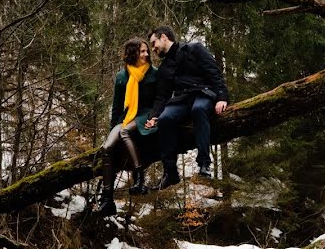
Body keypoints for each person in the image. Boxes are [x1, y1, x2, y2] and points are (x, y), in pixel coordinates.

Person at [145, 26, 229, 190]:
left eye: (154, 43)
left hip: (203, 94)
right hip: (181, 100)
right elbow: (162, 96)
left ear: (164, 37)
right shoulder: (164, 68)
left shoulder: (194, 49)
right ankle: (170, 173)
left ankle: (204, 164)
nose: (153, 48)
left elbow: (214, 72)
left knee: (198, 110)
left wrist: (222, 98)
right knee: (165, 119)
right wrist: (154, 116)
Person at [95, 37, 159, 216]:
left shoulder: (154, 73)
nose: (146, 54)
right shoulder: (122, 76)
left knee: (124, 132)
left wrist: (155, 118)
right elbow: (116, 106)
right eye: (142, 51)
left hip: (144, 115)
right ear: (133, 53)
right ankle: (107, 200)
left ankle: (139, 177)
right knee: (107, 147)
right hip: (126, 117)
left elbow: (160, 100)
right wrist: (111, 130)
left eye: (147, 51)